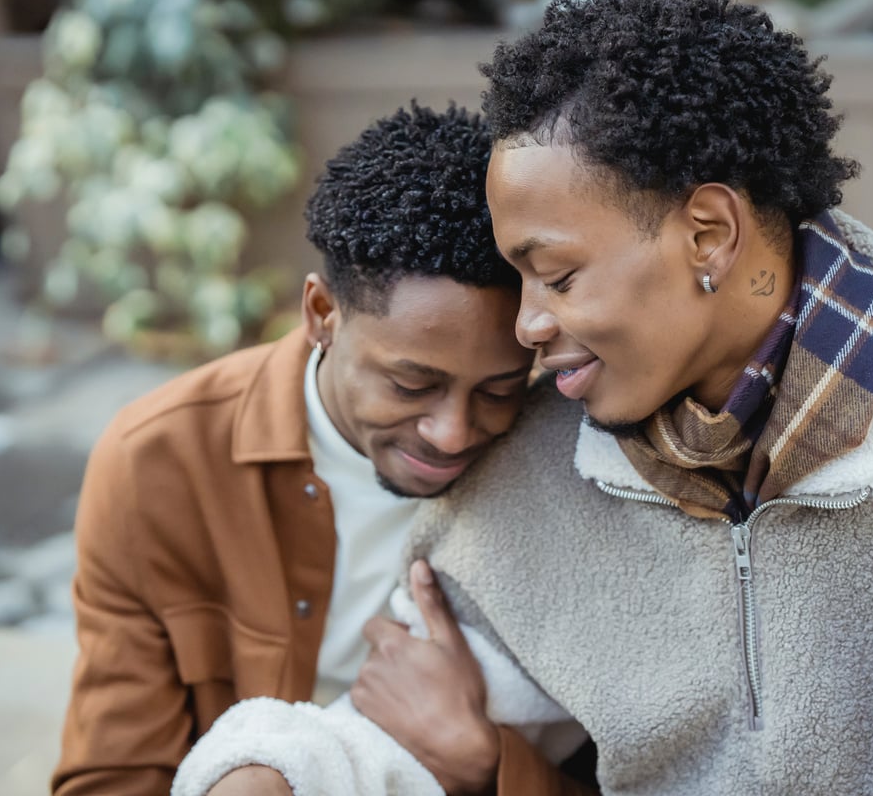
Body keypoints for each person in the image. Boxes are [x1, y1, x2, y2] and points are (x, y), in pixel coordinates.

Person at [153, 0, 873, 794]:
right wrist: (268, 773)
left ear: (708, 233)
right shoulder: (535, 458)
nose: (527, 325)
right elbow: (400, 732)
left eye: (559, 274)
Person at [51, 102, 589, 795]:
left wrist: (484, 762)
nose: (453, 433)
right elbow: (112, 775)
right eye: (410, 384)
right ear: (320, 315)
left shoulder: (568, 464)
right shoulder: (156, 462)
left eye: (497, 390)